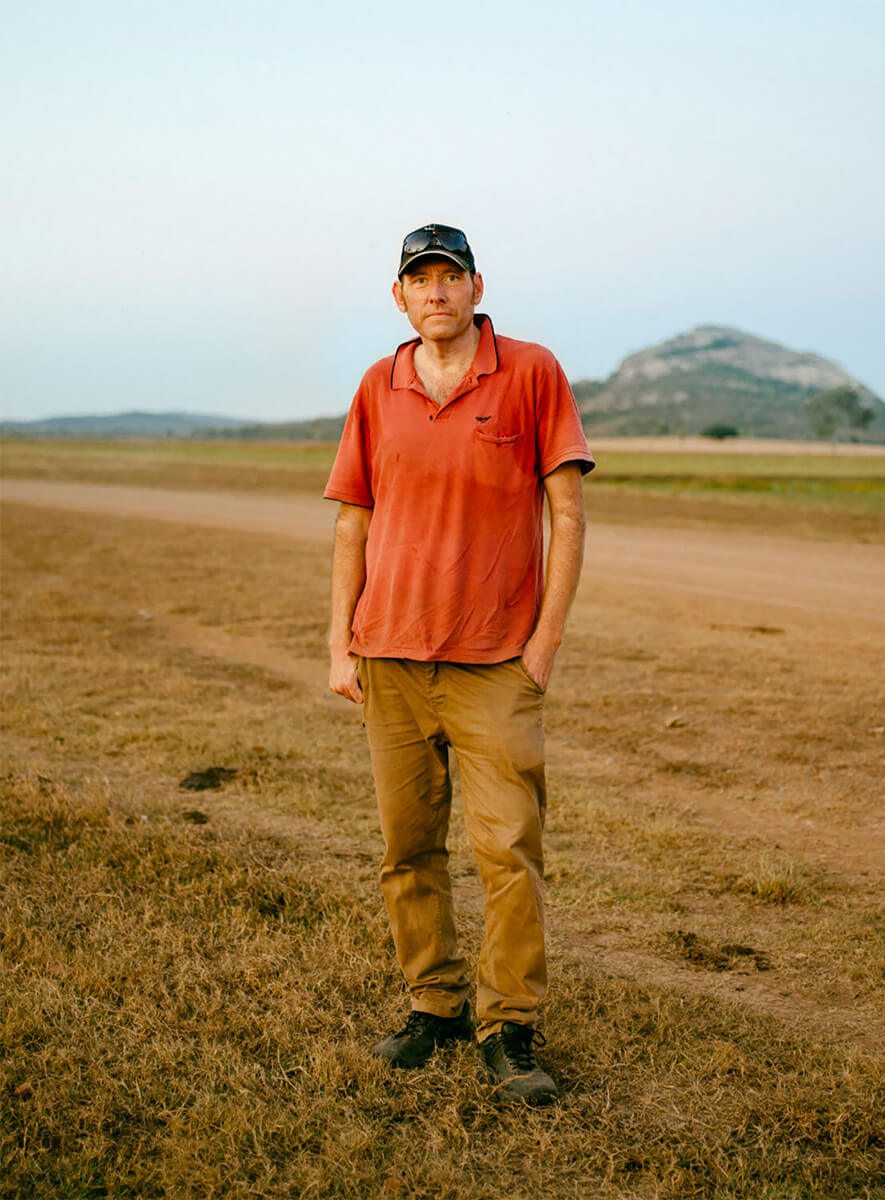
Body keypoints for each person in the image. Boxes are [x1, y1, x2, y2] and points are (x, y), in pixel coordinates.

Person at [325, 223, 594, 1105]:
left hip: (493, 661)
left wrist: (543, 645)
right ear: (398, 297)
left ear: (478, 286)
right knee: (408, 848)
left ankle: (508, 1028)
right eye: (419, 278)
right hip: (391, 655)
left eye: (450, 275)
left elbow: (569, 513)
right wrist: (340, 642)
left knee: (509, 847)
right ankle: (432, 1005)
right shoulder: (378, 384)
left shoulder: (531, 371)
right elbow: (353, 521)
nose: (435, 291)